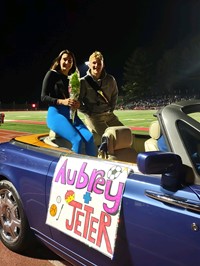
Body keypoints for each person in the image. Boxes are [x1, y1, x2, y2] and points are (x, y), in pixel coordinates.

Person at [41, 49, 96, 156]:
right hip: (56, 114)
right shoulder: (51, 74)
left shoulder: (73, 78)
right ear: (59, 60)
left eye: (70, 61)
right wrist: (62, 101)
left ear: (72, 63)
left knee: (89, 138)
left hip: (72, 114)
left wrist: (77, 104)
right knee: (77, 140)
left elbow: (75, 97)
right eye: (64, 59)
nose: (67, 62)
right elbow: (43, 97)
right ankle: (74, 170)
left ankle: (93, 168)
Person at [79, 51, 124, 145]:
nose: (97, 65)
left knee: (125, 134)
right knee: (110, 139)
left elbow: (115, 94)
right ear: (89, 65)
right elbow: (78, 101)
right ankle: (109, 158)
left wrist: (111, 108)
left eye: (99, 63)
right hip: (93, 117)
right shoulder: (83, 82)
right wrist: (88, 112)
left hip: (109, 115)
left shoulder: (110, 79)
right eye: (94, 63)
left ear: (103, 65)